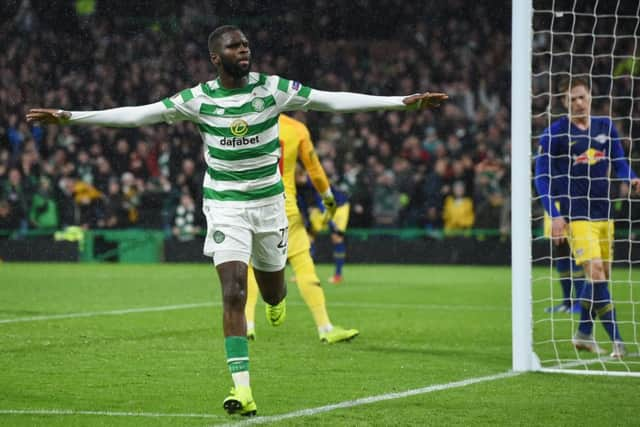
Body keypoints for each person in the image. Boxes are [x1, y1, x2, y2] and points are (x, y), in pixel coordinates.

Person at [26, 25, 447, 416]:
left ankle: (277, 303)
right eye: (234, 45)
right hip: (225, 206)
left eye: (245, 44)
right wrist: (69, 117)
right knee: (232, 290)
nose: (243, 50)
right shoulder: (198, 99)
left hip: (270, 207)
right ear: (215, 57)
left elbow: (328, 99)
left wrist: (399, 102)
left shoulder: (273, 89)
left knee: (274, 290)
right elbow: (140, 113)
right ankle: (242, 389)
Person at [534, 76, 640, 359]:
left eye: (581, 97)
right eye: (572, 99)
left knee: (601, 279)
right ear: (564, 102)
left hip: (604, 214)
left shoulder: (605, 127)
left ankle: (583, 332)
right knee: (594, 271)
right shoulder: (555, 133)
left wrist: (632, 178)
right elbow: (541, 178)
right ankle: (618, 342)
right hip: (575, 216)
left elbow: (619, 162)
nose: (578, 103)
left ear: (590, 97)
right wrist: (554, 214)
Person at [244, 113, 358, 343]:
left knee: (248, 266)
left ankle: (247, 324)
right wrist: (329, 199)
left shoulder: (244, 121)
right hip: (284, 206)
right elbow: (314, 169)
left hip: (250, 205)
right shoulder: (295, 129)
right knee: (304, 265)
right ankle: (325, 327)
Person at [541, 209, 585, 314]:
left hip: (572, 212)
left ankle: (580, 302)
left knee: (575, 257)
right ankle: (567, 302)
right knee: (561, 257)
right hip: (553, 213)